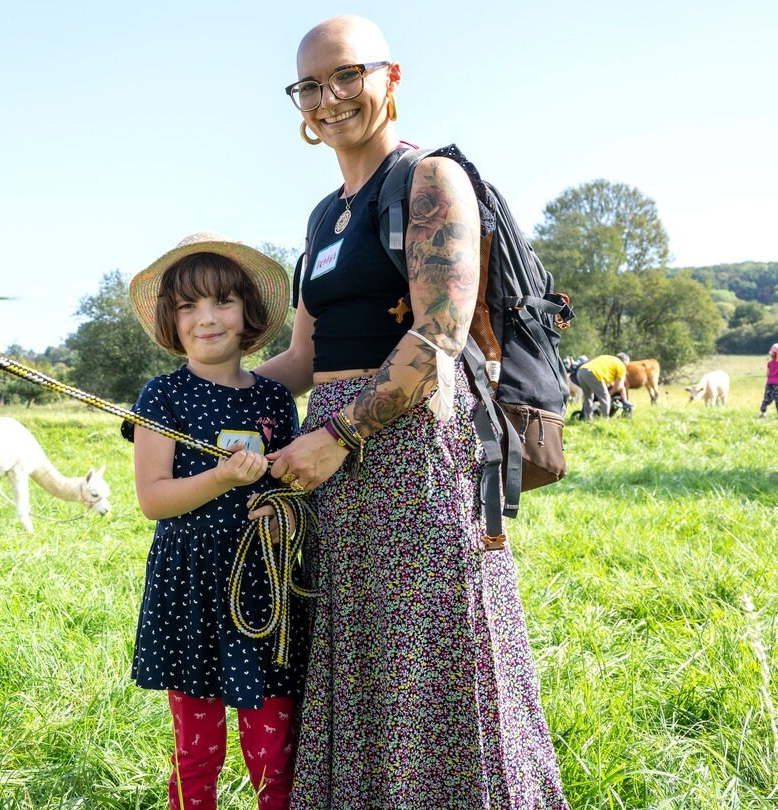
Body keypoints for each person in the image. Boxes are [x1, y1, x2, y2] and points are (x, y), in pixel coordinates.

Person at [258, 16, 568, 806]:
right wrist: (194, 390)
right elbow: (302, 359)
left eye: (345, 76)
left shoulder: (428, 180)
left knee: (433, 652)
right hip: (334, 471)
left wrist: (338, 434)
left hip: (408, 453)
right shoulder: (321, 217)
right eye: (309, 86)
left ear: (390, 77)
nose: (327, 100)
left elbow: (438, 333)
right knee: (359, 652)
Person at [127, 233, 301, 809]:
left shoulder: (275, 399)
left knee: (275, 756)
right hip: (191, 588)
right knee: (198, 753)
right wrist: (223, 478)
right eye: (188, 306)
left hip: (262, 590)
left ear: (248, 311)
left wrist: (280, 509)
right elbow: (153, 499)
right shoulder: (162, 397)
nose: (207, 318)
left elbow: (292, 487)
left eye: (222, 301)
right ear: (170, 321)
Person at [577, 352, 629, 421]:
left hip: (581, 371)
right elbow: (618, 385)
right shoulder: (621, 365)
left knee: (588, 397)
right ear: (625, 361)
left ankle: (587, 419)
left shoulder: (607, 357)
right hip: (593, 373)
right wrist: (611, 392)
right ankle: (605, 419)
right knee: (605, 398)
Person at [760, 344, 778, 418]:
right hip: (777, 384)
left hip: (769, 383)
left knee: (766, 398)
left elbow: (767, 374)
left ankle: (763, 413)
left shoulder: (769, 363)